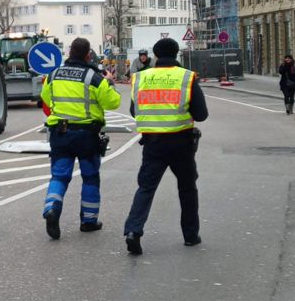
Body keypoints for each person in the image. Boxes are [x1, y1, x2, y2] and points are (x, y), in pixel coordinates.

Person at [123, 38, 209, 255]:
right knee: (187, 188)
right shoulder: (186, 77)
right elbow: (201, 114)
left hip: (152, 144)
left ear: (155, 55)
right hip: (181, 143)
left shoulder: (141, 77)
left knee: (146, 188)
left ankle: (133, 231)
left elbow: (135, 111)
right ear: (177, 53)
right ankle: (190, 236)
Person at [38, 37, 121, 240]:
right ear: (87, 55)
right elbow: (113, 103)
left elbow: (46, 98)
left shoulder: (53, 75)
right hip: (86, 136)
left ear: (69, 52)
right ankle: (89, 221)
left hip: (60, 134)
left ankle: (52, 208)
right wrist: (110, 82)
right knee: (90, 177)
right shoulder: (94, 77)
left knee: (59, 176)